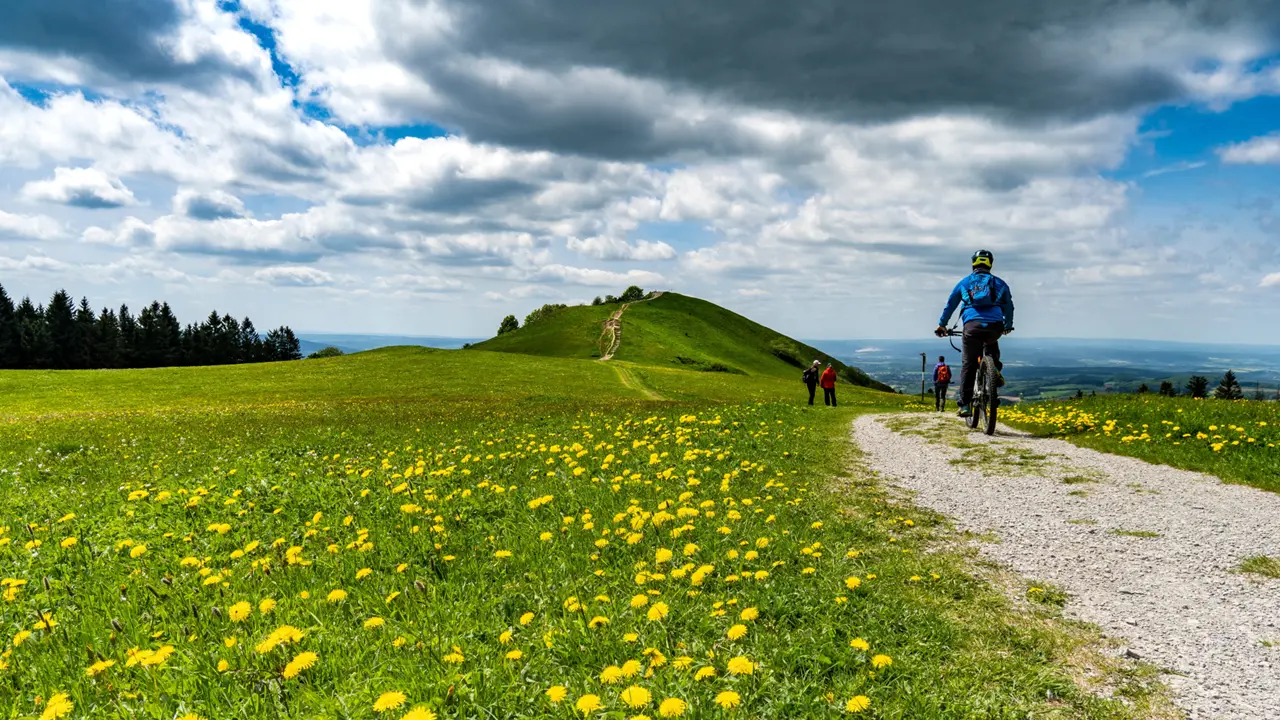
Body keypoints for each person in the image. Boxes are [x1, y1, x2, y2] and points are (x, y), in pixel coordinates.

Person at [935, 250, 1014, 418]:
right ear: (990, 264)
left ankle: (964, 404)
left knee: (969, 364)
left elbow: (950, 305)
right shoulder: (1000, 283)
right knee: (991, 343)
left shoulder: (964, 283)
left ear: (973, 264)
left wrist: (942, 325)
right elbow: (1009, 307)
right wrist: (1008, 325)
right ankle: (994, 371)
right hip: (995, 327)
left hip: (972, 327)